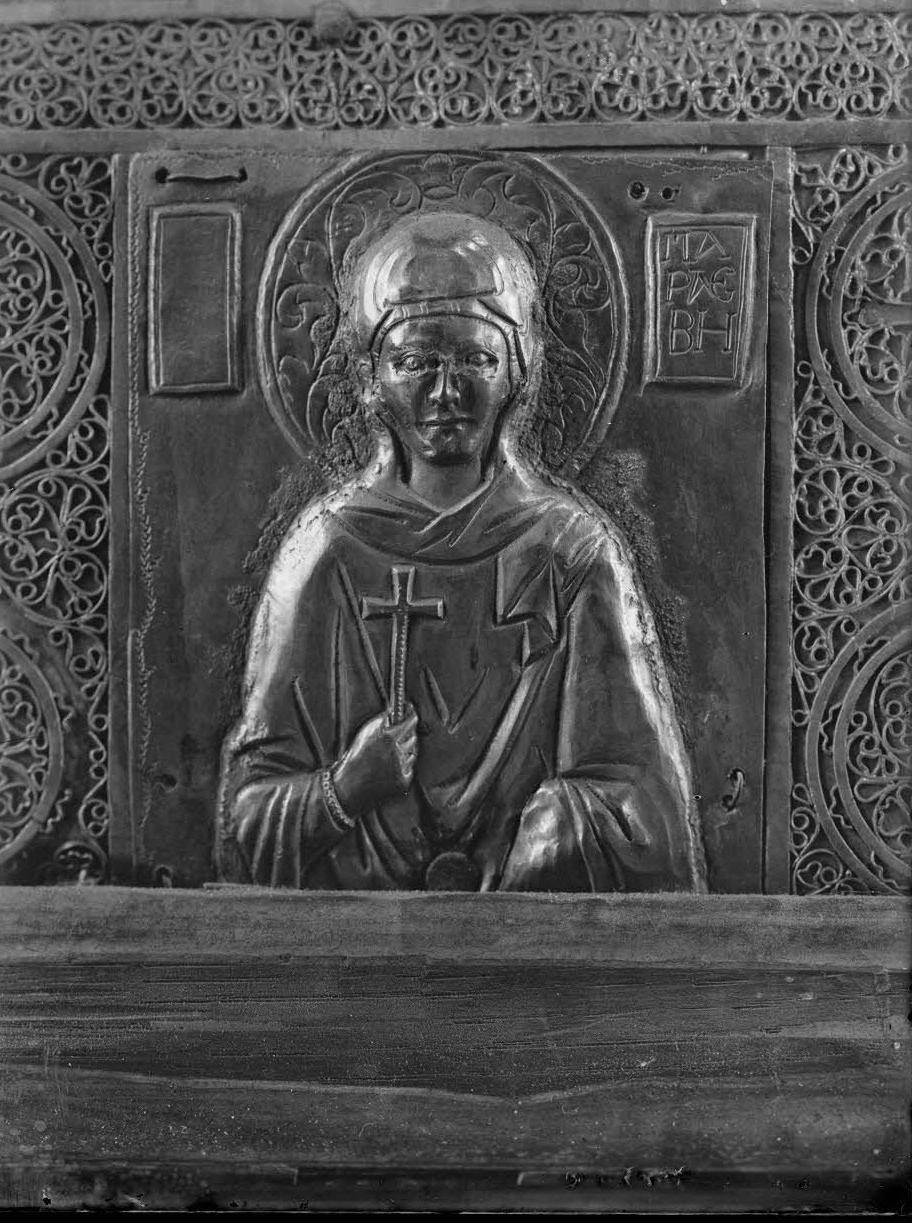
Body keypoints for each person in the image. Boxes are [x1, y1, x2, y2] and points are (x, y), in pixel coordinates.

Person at [216, 211, 705, 891]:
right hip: (347, 942)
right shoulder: (327, 553)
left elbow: (646, 807)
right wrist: (341, 791)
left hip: (537, 942)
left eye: (475, 359)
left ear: (517, 373)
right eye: (416, 362)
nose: (446, 393)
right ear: (373, 380)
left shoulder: (571, 552)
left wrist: (556, 831)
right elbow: (243, 818)